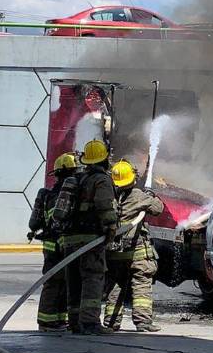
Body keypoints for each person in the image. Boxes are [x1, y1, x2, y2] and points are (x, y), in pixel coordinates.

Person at [62, 140, 118, 335]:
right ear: (104, 159)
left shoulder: (76, 179)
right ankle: (90, 323)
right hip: (90, 239)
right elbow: (105, 205)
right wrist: (111, 227)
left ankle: (75, 322)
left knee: (74, 280)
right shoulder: (101, 180)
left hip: (70, 239)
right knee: (92, 279)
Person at [104, 159, 165, 332]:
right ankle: (143, 322)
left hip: (114, 251)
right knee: (141, 284)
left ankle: (111, 323)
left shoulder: (108, 196)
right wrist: (151, 195)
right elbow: (158, 208)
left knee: (115, 286)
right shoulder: (138, 195)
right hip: (136, 251)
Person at [27, 152, 81, 333]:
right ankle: (47, 322)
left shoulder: (47, 194)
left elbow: (35, 223)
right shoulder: (65, 196)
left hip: (51, 245)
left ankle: (56, 320)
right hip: (59, 244)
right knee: (56, 283)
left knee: (59, 283)